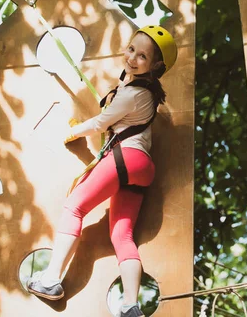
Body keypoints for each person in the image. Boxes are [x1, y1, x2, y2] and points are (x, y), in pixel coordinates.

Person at [27, 25, 177, 317]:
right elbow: (115, 121)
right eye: (131, 49)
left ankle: (51, 280)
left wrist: (74, 133)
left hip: (125, 159)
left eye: (142, 56)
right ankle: (131, 306)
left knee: (74, 207)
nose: (133, 58)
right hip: (142, 167)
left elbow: (100, 122)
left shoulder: (131, 93)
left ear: (155, 66)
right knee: (122, 235)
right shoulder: (145, 92)